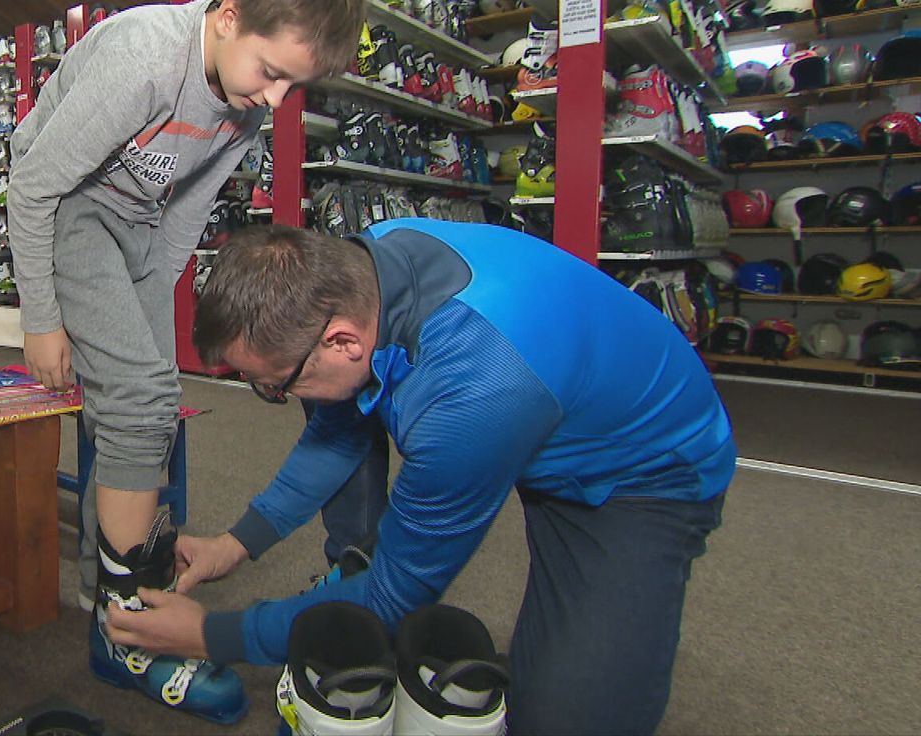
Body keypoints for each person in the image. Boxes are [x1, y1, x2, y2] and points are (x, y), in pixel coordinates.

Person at [107, 220, 736, 735]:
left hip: (646, 476)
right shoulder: (366, 265)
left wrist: (213, 635)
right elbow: (336, 434)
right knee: (342, 409)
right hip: (543, 402)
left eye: (274, 386)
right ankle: (360, 570)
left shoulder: (472, 395)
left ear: (343, 342)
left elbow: (395, 598)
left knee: (563, 720)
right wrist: (236, 544)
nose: (274, 395)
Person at [6, 0, 371, 723]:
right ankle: (123, 631)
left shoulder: (244, 105)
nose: (275, 99)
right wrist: (43, 318)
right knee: (138, 400)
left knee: (146, 401)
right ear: (231, 14)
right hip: (70, 202)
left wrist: (141, 322)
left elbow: (179, 220)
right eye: (272, 73)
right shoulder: (146, 57)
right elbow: (32, 187)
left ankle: (104, 592)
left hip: (135, 221)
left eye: (293, 86)